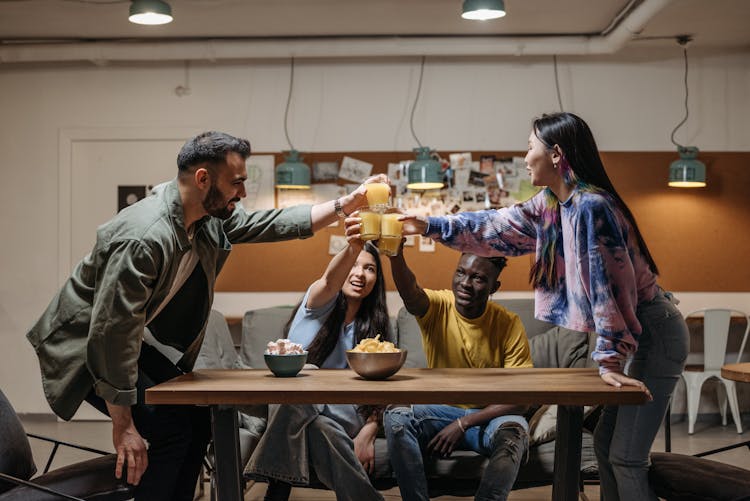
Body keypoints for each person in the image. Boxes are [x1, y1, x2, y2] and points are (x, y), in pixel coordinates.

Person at [26, 130, 387, 501]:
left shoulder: (206, 216)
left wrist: (348, 202)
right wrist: (124, 426)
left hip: (121, 340)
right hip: (85, 347)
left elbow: (270, 223)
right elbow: (110, 334)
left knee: (198, 420)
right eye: (237, 183)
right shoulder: (143, 237)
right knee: (172, 430)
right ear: (203, 178)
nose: (243, 194)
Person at [399, 112, 689, 501]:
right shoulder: (553, 204)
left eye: (529, 147)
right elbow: (495, 227)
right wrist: (429, 226)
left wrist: (609, 360)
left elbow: (610, 289)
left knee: (626, 458)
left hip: (656, 331)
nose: (524, 157)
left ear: (555, 154)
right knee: (605, 446)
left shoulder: (591, 206)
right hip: (640, 332)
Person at [379, 242, 534, 501]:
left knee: (515, 432)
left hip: (488, 418)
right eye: (461, 272)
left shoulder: (509, 324)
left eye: (478, 278)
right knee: (396, 416)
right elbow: (410, 293)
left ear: (494, 288)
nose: (465, 282)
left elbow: (522, 400)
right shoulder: (439, 306)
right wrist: (396, 255)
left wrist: (463, 424)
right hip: (437, 413)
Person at [246, 238, 392, 501]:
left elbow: (384, 389)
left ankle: (273, 484)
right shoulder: (316, 303)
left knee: (316, 414)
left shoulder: (375, 329)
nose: (360, 274)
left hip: (348, 420)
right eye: (354, 265)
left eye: (370, 269)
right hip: (301, 415)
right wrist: (353, 246)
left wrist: (369, 431)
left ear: (377, 279)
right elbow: (328, 280)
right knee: (309, 386)